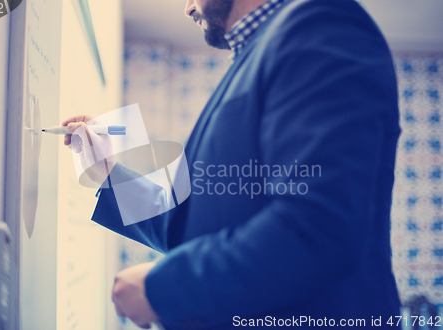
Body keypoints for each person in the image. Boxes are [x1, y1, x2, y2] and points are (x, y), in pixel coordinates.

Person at [62, 0, 401, 328]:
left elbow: (317, 228)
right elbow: (194, 223)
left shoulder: (321, 27)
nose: (188, 8)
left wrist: (162, 290)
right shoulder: (258, 52)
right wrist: (107, 173)